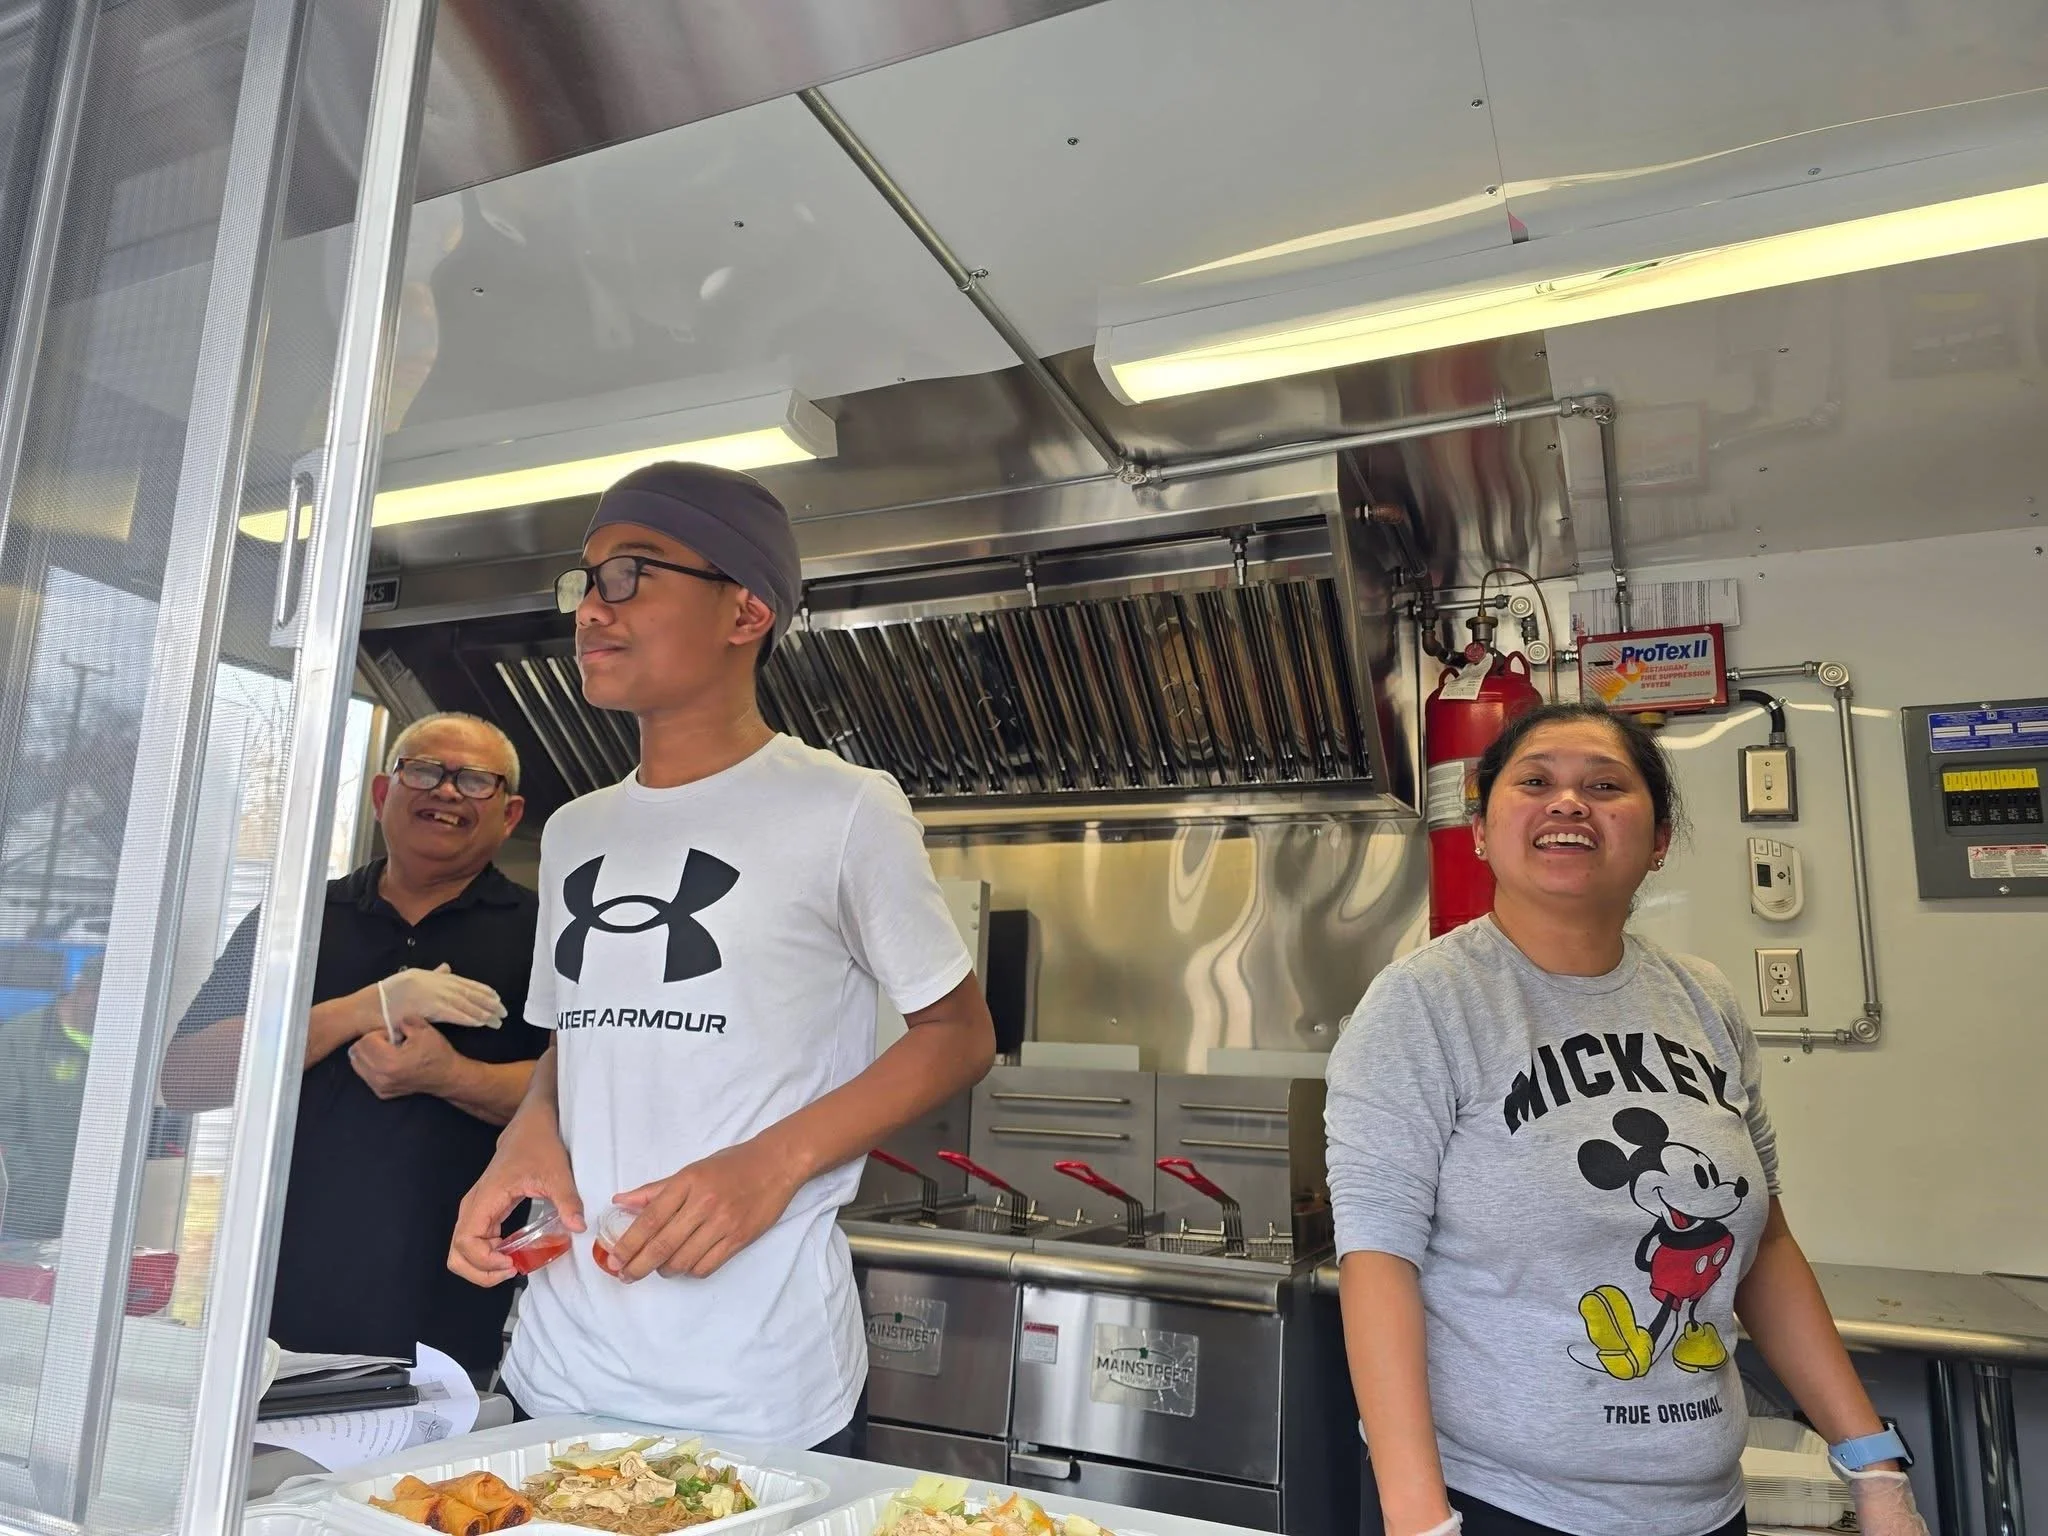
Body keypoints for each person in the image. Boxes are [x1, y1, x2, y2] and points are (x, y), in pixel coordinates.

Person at [447, 461, 997, 1452]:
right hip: (560, 1367)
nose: (590, 608)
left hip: (759, 1385)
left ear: (745, 613)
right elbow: (580, 1041)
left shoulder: (842, 809)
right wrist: (525, 1135)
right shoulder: (575, 831)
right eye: (585, 580)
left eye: (631, 574)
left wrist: (769, 1164)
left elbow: (956, 1034)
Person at [1326, 702, 1927, 1536]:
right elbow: (1377, 1262)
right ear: (1480, 831)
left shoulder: (1701, 999)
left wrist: (1872, 1466)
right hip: (1505, 1507)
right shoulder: (1423, 1004)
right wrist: (1419, 1519)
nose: (1569, 802)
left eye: (1605, 786)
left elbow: (1766, 1247)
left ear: (1658, 842)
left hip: (1708, 1505)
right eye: (1535, 782)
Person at [162, 713, 545, 1374]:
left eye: (476, 781)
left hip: (458, 1319)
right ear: (380, 794)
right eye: (424, 770)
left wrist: (448, 1074)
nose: (448, 791)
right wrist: (359, 1009)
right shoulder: (294, 920)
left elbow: (580, 1099)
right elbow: (186, 1076)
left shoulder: (546, 932)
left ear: (509, 814)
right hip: (278, 1310)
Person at [0, 955, 102, 1239]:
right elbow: (4, 1126)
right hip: (28, 1219)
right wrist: (31, 1191)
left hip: (95, 1213)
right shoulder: (19, 1039)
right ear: (82, 989)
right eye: (101, 996)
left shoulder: (122, 1041)